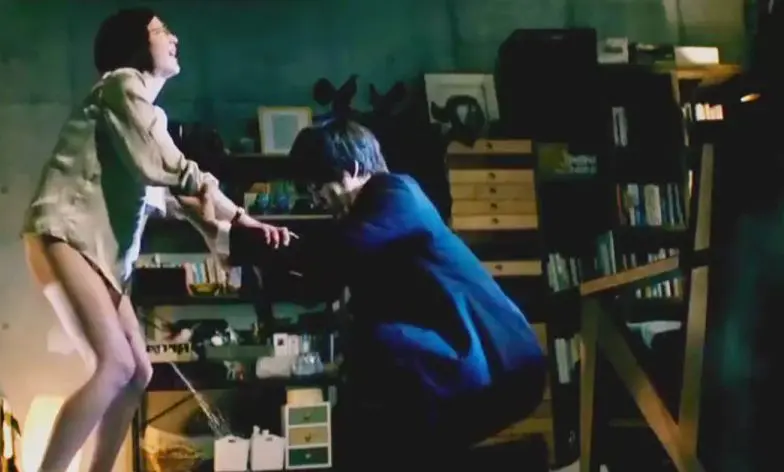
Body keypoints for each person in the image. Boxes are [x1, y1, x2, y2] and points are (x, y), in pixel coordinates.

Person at [20, 8, 290, 472]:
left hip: (99, 257)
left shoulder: (141, 116)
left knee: (137, 372)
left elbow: (179, 197)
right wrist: (238, 220)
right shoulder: (122, 85)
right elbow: (170, 168)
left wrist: (237, 226)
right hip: (65, 233)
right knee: (114, 365)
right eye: (162, 31)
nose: (174, 38)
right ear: (135, 44)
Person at [193, 119, 547, 469]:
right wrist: (230, 238)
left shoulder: (395, 194)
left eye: (318, 186)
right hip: (466, 367)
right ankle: (522, 459)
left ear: (351, 169)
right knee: (372, 438)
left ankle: (522, 461)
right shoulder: (367, 220)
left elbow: (324, 256)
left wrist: (230, 234)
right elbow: (314, 285)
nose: (315, 199)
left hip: (499, 365)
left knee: (373, 418)